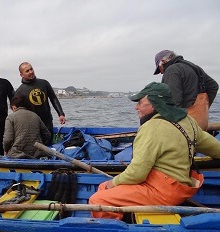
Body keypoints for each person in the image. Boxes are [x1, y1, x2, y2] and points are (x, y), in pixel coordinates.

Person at [89, 82, 220, 220]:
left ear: (154, 104)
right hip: (182, 188)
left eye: (140, 102)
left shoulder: (152, 127)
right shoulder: (188, 121)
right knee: (104, 187)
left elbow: (137, 174)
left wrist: (113, 182)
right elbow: (215, 149)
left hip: (161, 192)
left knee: (98, 200)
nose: (136, 107)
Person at [153, 50, 218, 131]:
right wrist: (203, 108)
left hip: (186, 127)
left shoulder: (172, 71)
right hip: (201, 124)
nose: (161, 73)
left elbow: (173, 102)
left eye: (159, 69)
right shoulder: (193, 66)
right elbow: (213, 86)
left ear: (163, 61)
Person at [14, 62, 66, 143]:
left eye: (31, 69)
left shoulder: (44, 83)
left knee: (48, 145)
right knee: (36, 148)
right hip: (32, 124)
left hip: (47, 121)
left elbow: (53, 99)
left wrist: (61, 114)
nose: (30, 72)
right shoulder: (20, 91)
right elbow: (16, 111)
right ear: (21, 75)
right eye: (27, 71)